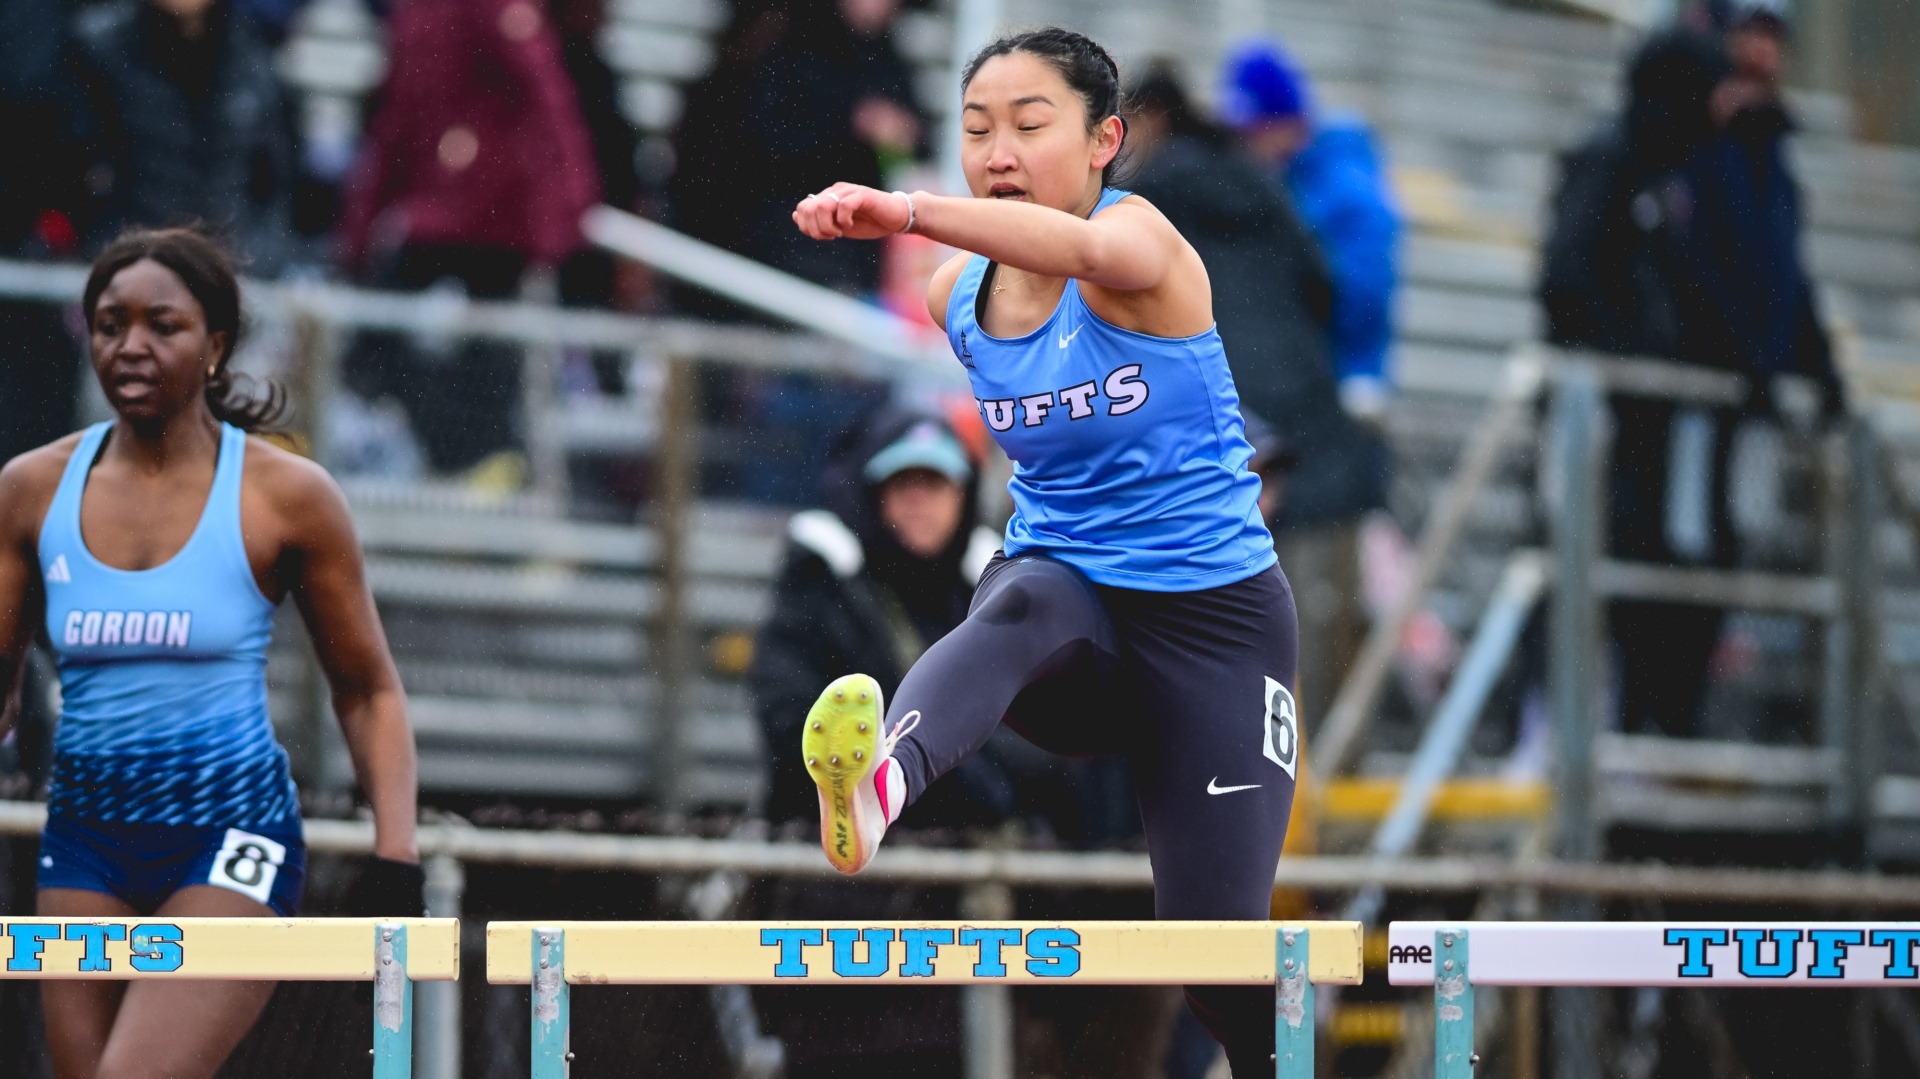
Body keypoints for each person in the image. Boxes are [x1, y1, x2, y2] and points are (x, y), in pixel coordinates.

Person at [789, 28, 1299, 1076]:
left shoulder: (1140, 242)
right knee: (1021, 594)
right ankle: (878, 786)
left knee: (1215, 961)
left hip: (1217, 636)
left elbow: (1077, 253)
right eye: (976, 131)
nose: (999, 153)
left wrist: (912, 208)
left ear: (1106, 140)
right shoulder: (957, 301)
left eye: (1029, 126)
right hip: (1074, 638)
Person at [0, 227, 421, 1079]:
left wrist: (396, 856)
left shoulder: (286, 497)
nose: (132, 346)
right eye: (111, 324)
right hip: (86, 843)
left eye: (164, 325)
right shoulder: (30, 490)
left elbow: (367, 688)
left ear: (217, 344)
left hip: (230, 840)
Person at [1539, 9, 1842, 739]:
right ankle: (1581, 737)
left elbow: (1777, 283)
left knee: (1692, 575)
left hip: (1693, 415)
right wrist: (1636, 363)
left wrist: (1805, 366)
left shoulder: (1732, 163)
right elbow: (1571, 279)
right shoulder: (1630, 160)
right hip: (1624, 419)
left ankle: (1661, 732)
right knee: (1609, 576)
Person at [1127, 60, 1388, 719]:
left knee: (1200, 630)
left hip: (1211, 423)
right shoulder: (1261, 184)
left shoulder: (1146, 198)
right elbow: (1323, 284)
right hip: (1308, 429)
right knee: (1294, 637)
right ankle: (1300, 779)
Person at [337, 0, 600, 482]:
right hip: (436, 219)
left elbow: (545, 99)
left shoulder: (493, 10)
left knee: (490, 365)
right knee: (375, 350)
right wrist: (360, 228)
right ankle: (465, 462)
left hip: (497, 224)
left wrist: (566, 211)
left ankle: (487, 467)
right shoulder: (414, 15)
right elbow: (400, 118)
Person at [1217, 40, 1401, 423]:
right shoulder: (1282, 179)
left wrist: (1357, 370)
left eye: (1256, 129)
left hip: (1331, 370)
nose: (1247, 144)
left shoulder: (1341, 185)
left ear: (1287, 121)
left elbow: (1364, 286)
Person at [67, 0, 301, 275]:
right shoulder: (98, 46)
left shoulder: (254, 51)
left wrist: (263, 258)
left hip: (232, 272)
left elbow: (276, 180)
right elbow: (74, 171)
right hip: (123, 269)